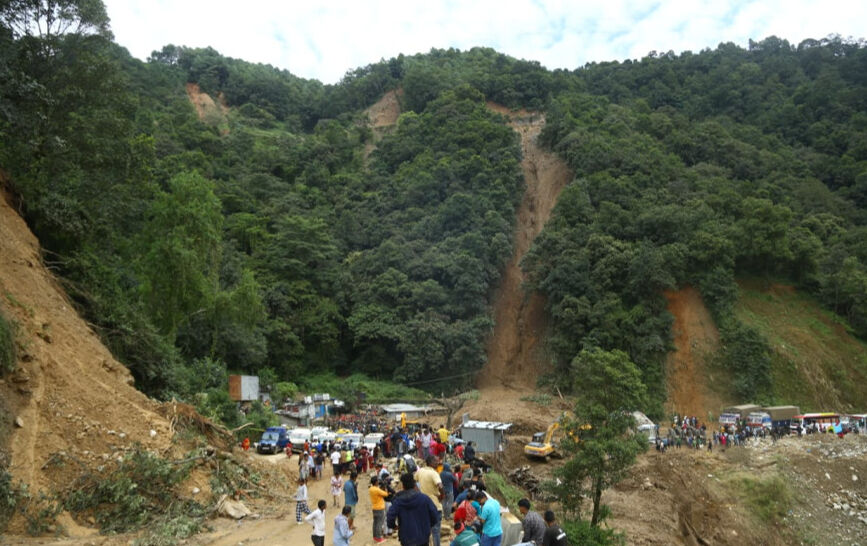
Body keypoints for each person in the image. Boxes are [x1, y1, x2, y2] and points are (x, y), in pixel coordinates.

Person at [387, 472, 440, 546]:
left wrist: (394, 526)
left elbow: (390, 517)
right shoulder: (424, 498)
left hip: (406, 539)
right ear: (414, 484)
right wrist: (427, 525)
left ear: (403, 486)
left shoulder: (398, 501)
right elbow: (434, 515)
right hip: (423, 538)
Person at [415, 456, 444, 546]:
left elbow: (413, 482)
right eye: (436, 461)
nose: (437, 462)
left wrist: (418, 492)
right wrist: (442, 496)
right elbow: (440, 486)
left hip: (422, 504)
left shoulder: (420, 471)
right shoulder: (434, 473)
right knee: (436, 531)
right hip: (434, 504)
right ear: (430, 462)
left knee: (425, 530)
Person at [369, 475, 389, 543]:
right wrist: (385, 488)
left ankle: (375, 536)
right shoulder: (377, 490)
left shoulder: (371, 489)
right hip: (379, 508)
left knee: (375, 523)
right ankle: (378, 538)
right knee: (379, 523)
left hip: (374, 507)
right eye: (377, 481)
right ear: (376, 482)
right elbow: (386, 494)